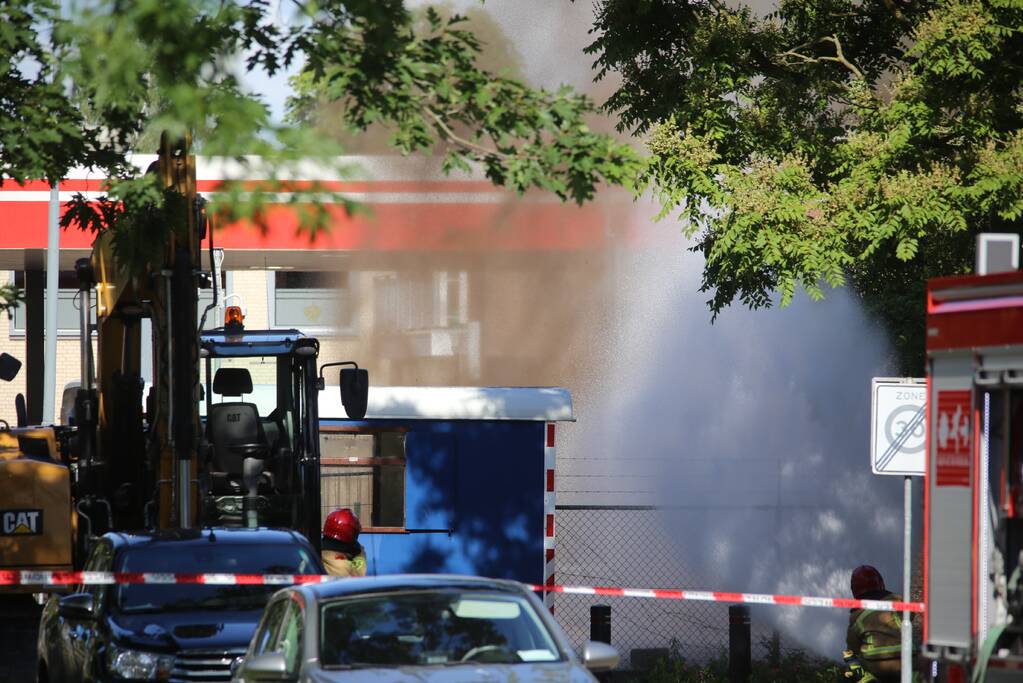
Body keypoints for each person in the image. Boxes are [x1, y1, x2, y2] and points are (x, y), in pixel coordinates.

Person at [845, 565, 906, 683]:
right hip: (905, 663)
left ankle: (867, 680)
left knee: (850, 660)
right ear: (880, 583)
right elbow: (911, 616)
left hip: (876, 667)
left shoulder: (855, 616)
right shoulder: (898, 601)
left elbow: (852, 648)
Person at [321, 508, 368, 577]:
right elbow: (360, 574)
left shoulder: (313, 553)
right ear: (351, 534)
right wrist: (360, 552)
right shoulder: (344, 567)